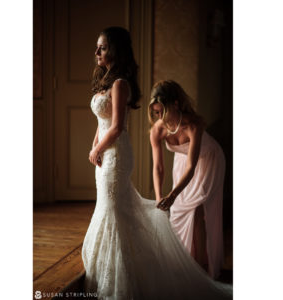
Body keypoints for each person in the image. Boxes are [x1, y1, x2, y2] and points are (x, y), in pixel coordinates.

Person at [81, 26, 232, 299]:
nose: (96, 52)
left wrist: (99, 148)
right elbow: (102, 124)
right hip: (104, 152)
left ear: (114, 49)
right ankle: (113, 270)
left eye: (102, 47)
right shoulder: (106, 82)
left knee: (114, 210)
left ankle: (132, 276)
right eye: (97, 47)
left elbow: (116, 127)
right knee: (110, 208)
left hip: (116, 155)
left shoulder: (120, 84)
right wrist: (95, 146)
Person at [148, 80, 226, 279]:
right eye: (156, 112)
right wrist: (159, 198)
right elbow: (158, 167)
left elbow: (193, 167)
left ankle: (201, 270)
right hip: (182, 163)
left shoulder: (194, 124)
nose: (160, 117)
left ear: (175, 104)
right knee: (178, 212)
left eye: (163, 111)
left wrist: (173, 194)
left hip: (208, 160)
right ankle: (186, 262)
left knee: (198, 210)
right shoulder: (157, 130)